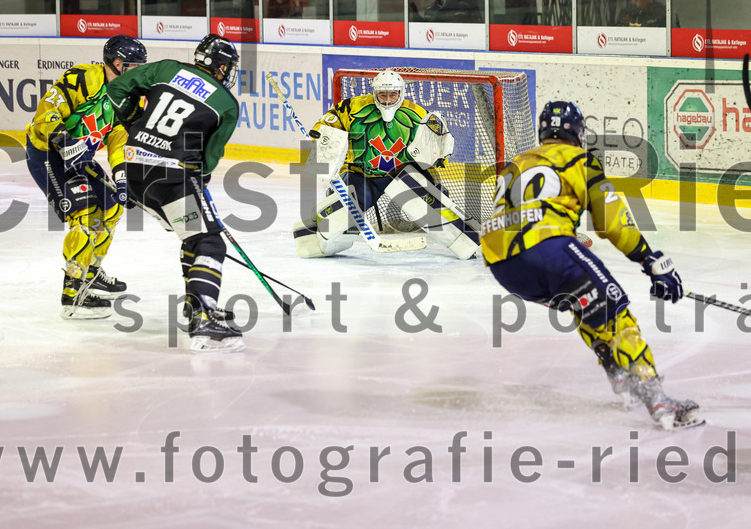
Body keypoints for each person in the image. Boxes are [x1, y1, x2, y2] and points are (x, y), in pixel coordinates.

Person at [480, 101, 701, 431]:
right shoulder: (580, 160)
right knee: (616, 314)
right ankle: (657, 398)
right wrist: (648, 259)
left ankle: (619, 374)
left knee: (584, 305)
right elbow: (612, 223)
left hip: (503, 267)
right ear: (578, 133)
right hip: (548, 248)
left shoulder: (517, 162)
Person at [105, 34, 243, 354]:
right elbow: (210, 158)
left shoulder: (167, 69)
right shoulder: (226, 103)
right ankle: (204, 315)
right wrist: (200, 182)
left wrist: (133, 121)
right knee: (208, 240)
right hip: (171, 178)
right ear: (221, 68)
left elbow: (117, 88)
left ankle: (196, 305)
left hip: (135, 170)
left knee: (192, 235)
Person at [295, 69, 480, 260]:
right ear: (374, 92)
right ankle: (314, 242)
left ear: (401, 93)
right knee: (344, 209)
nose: (387, 100)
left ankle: (465, 243)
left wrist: (440, 155)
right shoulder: (352, 108)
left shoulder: (416, 113)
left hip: (402, 173)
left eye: (393, 95)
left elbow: (439, 143)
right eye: (382, 95)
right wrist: (319, 136)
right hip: (361, 174)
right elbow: (328, 123)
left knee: (431, 205)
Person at [25, 35, 147, 319]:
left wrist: (122, 179)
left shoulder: (127, 97)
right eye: (135, 66)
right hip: (48, 154)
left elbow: (118, 140)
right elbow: (47, 112)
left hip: (81, 158)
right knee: (87, 216)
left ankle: (91, 272)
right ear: (117, 64)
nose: (140, 72)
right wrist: (65, 141)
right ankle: (73, 294)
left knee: (112, 207)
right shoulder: (82, 78)